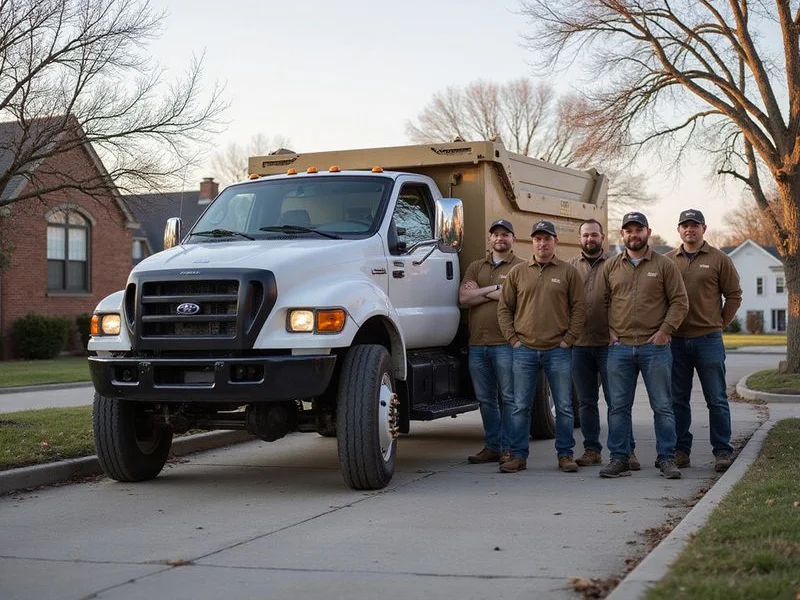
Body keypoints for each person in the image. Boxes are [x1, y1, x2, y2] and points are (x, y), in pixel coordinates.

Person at [600, 212, 689, 479]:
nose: (634, 234)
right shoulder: (611, 266)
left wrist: (665, 331)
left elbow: (679, 301)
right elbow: (601, 302)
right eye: (629, 230)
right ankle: (619, 459)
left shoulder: (664, 265)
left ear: (648, 232)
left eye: (639, 230)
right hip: (620, 348)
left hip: (655, 347)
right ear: (622, 235)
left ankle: (667, 459)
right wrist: (608, 330)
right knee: (617, 407)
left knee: (662, 406)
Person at [497, 220, 586, 473]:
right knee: (519, 406)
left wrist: (569, 339)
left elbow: (579, 308)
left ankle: (565, 455)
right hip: (524, 349)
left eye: (547, 239)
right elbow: (504, 309)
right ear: (532, 242)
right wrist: (513, 339)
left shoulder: (568, 272)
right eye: (537, 239)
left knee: (565, 407)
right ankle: (518, 456)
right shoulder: (518, 272)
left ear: (555, 242)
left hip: (558, 350)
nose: (542, 243)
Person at [667, 209, 742, 472]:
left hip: (708, 340)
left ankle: (722, 451)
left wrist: (720, 323)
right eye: (685, 225)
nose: (690, 229)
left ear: (704, 228)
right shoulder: (668, 261)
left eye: (695, 225)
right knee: (678, 399)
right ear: (678, 230)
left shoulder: (719, 259)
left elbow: (734, 295)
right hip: (675, 342)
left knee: (717, 398)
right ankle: (680, 451)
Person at [568, 219, 639, 470]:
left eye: (594, 235)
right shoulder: (570, 267)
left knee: (617, 401)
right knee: (586, 401)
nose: (590, 239)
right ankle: (591, 450)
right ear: (580, 238)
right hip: (580, 344)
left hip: (611, 345)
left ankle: (626, 451)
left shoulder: (616, 264)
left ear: (602, 237)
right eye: (585, 235)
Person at [460, 219, 525, 464]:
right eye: (496, 234)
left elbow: (513, 298)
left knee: (509, 398)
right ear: (490, 239)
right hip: (478, 343)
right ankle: (492, 446)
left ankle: (510, 448)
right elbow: (464, 297)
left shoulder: (521, 266)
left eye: (505, 234)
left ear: (513, 239)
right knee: (486, 399)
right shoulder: (476, 266)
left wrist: (481, 291)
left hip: (506, 343)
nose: (500, 238)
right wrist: (496, 288)